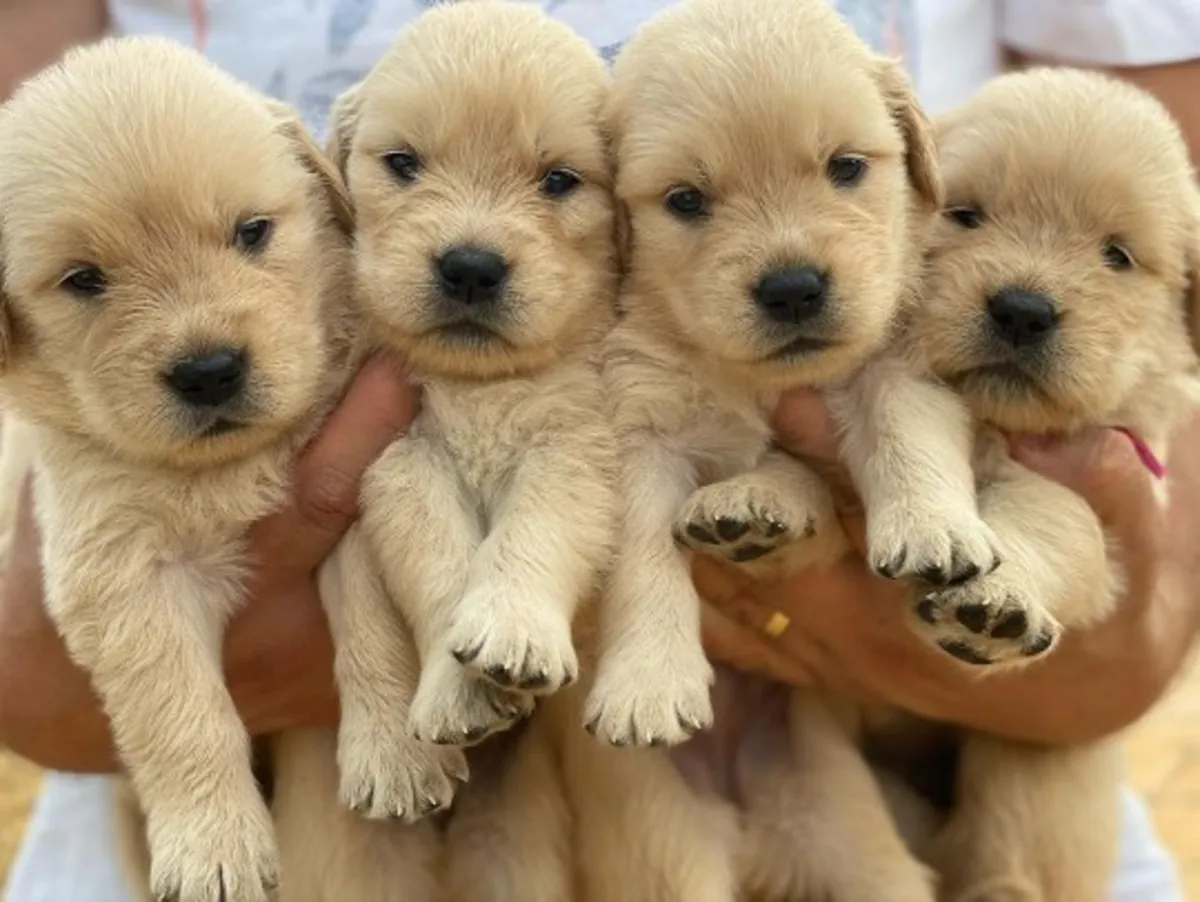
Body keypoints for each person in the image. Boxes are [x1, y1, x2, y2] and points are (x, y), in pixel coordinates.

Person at [1, 1, 1197, 899]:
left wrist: (1099, 588)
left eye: (848, 170)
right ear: (340, 174)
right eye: (683, 197)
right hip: (239, 786)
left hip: (922, 751)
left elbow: (1148, 273)